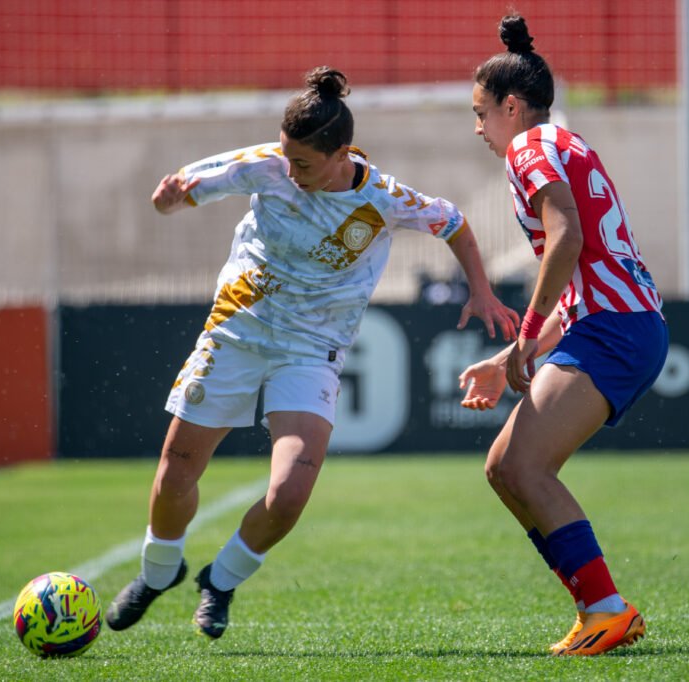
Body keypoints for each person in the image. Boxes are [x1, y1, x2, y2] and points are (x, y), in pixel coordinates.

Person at [106, 66, 521, 640]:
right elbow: (178, 196)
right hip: (237, 328)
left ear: (341, 153)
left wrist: (481, 289)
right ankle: (156, 573)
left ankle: (219, 581)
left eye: (303, 163)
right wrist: (168, 201)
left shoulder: (383, 198)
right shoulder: (267, 167)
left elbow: (453, 222)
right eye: (286, 156)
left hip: (311, 348)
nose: (290, 171)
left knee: (289, 492)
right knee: (177, 470)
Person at [457, 16, 668, 656]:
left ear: (510, 106)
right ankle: (595, 608)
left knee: (522, 464)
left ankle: (606, 607)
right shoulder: (565, 143)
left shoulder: (530, 147)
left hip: (616, 328)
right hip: (615, 323)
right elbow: (577, 267)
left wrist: (524, 336)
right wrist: (510, 355)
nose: (478, 129)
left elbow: (568, 237)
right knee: (504, 468)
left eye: (480, 113)